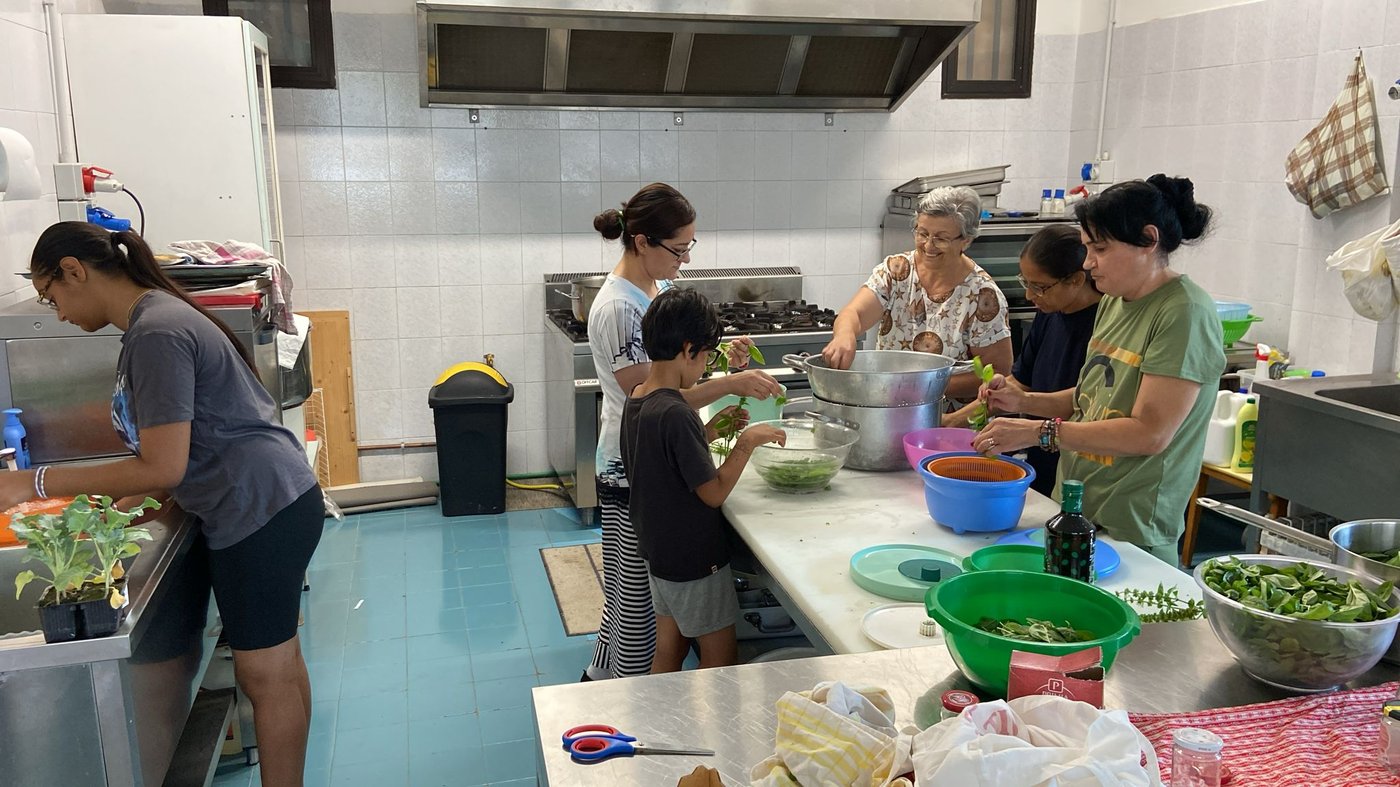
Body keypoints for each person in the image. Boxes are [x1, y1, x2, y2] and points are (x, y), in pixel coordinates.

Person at [1, 223, 322, 787]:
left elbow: (163, 466)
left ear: (75, 271)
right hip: (273, 498)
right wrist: (118, 511)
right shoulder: (153, 321)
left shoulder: (157, 332)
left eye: (52, 297)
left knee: (266, 674)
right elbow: (181, 451)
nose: (58, 314)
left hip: (257, 509)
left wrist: (35, 483)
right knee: (279, 666)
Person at [972, 175, 1226, 564]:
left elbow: (1149, 434)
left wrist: (1038, 432)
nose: (1088, 262)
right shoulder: (1114, 300)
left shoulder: (1183, 313)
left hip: (1131, 526)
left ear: (1148, 240)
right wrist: (1023, 401)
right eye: (1088, 248)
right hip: (1075, 507)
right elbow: (1091, 397)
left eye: (1100, 249)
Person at [585, 183, 782, 681]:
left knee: (646, 613)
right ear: (642, 241)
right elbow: (658, 395)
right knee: (635, 610)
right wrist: (729, 386)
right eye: (678, 249)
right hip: (633, 473)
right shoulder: (619, 308)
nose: (685, 259)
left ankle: (616, 683)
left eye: (689, 246)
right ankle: (625, 698)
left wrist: (714, 357)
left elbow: (670, 377)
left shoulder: (654, 290)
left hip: (656, 461)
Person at [621, 288, 785, 673]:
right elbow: (712, 493)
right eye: (707, 356)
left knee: (670, 648)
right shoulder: (676, 413)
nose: (705, 367)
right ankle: (710, 716)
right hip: (694, 560)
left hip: (660, 551)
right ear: (689, 349)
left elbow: (662, 461)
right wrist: (746, 441)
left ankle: (656, 711)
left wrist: (708, 433)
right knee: (721, 659)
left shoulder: (639, 397)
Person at [945, 224, 1102, 496]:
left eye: (1040, 287)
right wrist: (953, 421)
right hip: (1041, 461)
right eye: (1025, 282)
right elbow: (1021, 382)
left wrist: (1022, 401)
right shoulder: (1049, 312)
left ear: (1077, 280)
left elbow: (1087, 403)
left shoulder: (1104, 325)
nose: (1030, 296)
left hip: (1081, 470)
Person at [821, 185, 1012, 401]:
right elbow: (854, 313)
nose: (928, 245)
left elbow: (998, 371)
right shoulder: (896, 271)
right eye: (922, 233)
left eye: (941, 238)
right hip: (890, 406)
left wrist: (920, 388)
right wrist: (845, 335)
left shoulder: (983, 295)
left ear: (966, 240)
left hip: (949, 417)